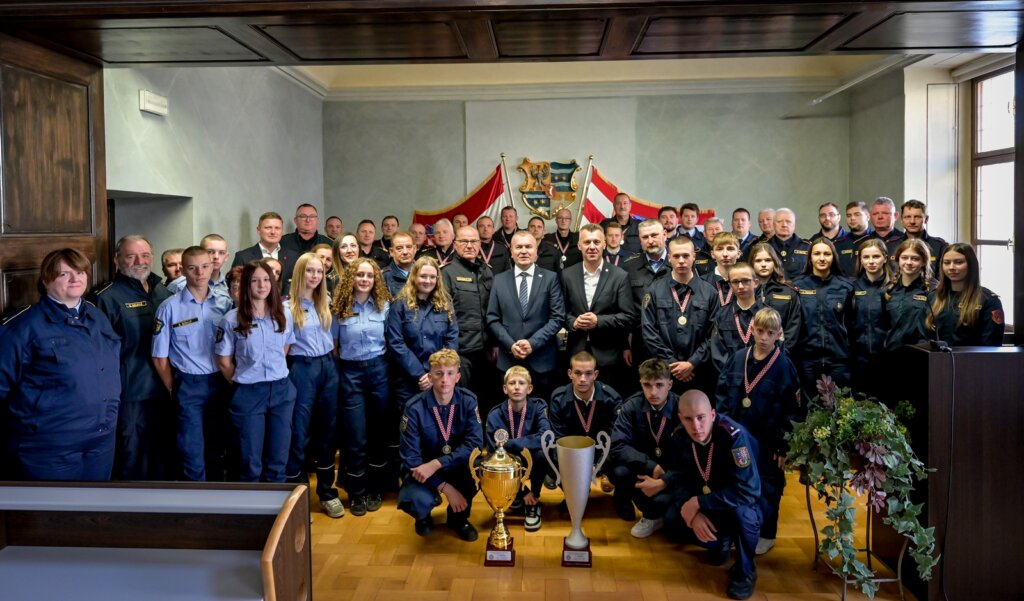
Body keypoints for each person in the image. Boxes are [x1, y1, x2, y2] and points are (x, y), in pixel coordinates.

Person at [0, 248, 121, 481]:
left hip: (101, 441)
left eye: (80, 272)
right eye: (64, 274)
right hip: (50, 446)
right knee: (55, 516)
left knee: (95, 513)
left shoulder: (96, 315)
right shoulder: (22, 327)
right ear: (46, 280)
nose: (76, 279)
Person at [715, 307, 799, 557]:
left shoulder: (785, 367)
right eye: (760, 331)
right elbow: (722, 395)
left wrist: (785, 446)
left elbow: (792, 411)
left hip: (768, 441)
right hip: (737, 438)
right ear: (751, 330)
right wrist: (721, 430)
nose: (764, 337)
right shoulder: (738, 358)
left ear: (779, 334)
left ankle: (767, 533)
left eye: (770, 333)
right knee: (735, 483)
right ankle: (735, 529)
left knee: (768, 487)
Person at [662, 390, 761, 600]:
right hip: (708, 501)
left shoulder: (734, 436)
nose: (696, 427)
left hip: (740, 501)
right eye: (688, 419)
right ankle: (721, 541)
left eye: (701, 417)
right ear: (680, 418)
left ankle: (745, 571)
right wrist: (693, 513)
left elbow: (748, 490)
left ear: (713, 415)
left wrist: (699, 501)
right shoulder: (679, 436)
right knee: (672, 521)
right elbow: (679, 477)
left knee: (745, 517)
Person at [90, 235, 173, 479]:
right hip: (130, 393)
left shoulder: (163, 292)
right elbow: (99, 354)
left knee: (163, 453)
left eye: (145, 255)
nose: (140, 261)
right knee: (131, 456)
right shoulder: (105, 297)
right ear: (117, 260)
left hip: (166, 388)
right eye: (131, 256)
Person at [153, 246, 235, 481]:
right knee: (191, 449)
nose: (200, 273)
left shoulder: (223, 303)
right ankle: (197, 507)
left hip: (220, 381)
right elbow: (159, 357)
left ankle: (218, 498)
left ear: (212, 267)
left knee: (218, 444)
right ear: (183, 270)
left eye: (205, 266)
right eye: (192, 268)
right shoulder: (169, 307)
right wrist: (174, 387)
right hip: (189, 384)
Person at [214, 261, 296, 483]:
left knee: (278, 458)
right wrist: (243, 382)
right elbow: (223, 360)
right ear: (246, 285)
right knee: (249, 461)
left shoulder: (284, 314)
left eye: (267, 279)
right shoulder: (232, 319)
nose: (262, 285)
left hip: (281, 391)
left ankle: (278, 515)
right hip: (249, 393)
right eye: (255, 280)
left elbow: (285, 347)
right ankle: (251, 515)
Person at [398, 349, 482, 541]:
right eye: (439, 373)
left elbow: (475, 445)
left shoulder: (468, 401)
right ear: (430, 376)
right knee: (417, 499)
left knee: (476, 470)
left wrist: (437, 463)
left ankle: (458, 518)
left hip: (452, 465)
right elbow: (411, 458)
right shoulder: (414, 408)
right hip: (421, 471)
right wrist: (446, 488)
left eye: (450, 373)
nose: (445, 379)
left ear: (458, 377)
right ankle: (423, 517)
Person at [283, 253, 343, 517]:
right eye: (310, 271)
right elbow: (282, 350)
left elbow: (335, 340)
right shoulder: (287, 308)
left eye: (319, 271)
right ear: (300, 273)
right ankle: (298, 495)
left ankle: (327, 492)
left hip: (328, 367)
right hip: (301, 368)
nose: (315, 276)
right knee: (299, 432)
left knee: (328, 432)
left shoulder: (326, 302)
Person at [332, 257, 392, 514]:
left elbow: (391, 341)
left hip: (379, 371)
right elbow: (334, 348)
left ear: (375, 279)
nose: (365, 280)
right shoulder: (340, 307)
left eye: (369, 275)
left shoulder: (384, 306)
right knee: (355, 435)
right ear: (351, 278)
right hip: (351, 374)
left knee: (379, 432)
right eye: (360, 275)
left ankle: (375, 488)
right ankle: (357, 492)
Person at [486, 230, 565, 400]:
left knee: (542, 411)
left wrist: (532, 343)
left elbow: (558, 317)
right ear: (511, 252)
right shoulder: (499, 280)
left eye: (528, 246)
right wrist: (510, 344)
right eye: (518, 247)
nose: (523, 251)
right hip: (508, 360)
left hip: (542, 360)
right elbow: (492, 318)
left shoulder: (550, 278)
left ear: (536, 252)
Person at [561, 224, 636, 395]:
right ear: (579, 245)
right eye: (587, 242)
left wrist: (599, 321)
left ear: (604, 244)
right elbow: (560, 313)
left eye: (596, 242)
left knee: (606, 402)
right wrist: (573, 322)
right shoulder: (567, 275)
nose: (592, 247)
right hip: (576, 352)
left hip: (608, 355)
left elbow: (628, 316)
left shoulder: (620, 275)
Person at [609, 359, 680, 538]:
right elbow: (617, 445)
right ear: (640, 383)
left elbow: (689, 455)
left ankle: (659, 514)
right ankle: (648, 515)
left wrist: (666, 479)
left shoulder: (682, 408)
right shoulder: (631, 406)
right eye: (647, 385)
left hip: (673, 471)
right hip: (643, 466)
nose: (653, 392)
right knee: (619, 472)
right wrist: (650, 466)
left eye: (659, 385)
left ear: (670, 384)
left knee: (672, 523)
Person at [640, 236, 717, 393]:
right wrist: (672, 364)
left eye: (686, 256)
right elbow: (649, 332)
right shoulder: (654, 290)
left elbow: (714, 335)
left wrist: (692, 363)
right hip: (663, 373)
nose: (681, 261)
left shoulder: (710, 292)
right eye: (676, 256)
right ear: (669, 258)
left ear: (694, 256)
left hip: (699, 372)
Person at [547, 351, 624, 506]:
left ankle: (622, 499)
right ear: (570, 374)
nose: (583, 379)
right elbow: (557, 439)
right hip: (572, 455)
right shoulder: (558, 398)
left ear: (595, 374)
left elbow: (615, 439)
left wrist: (599, 465)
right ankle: (574, 495)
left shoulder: (611, 398)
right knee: (546, 455)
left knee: (623, 463)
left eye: (588, 374)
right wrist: (577, 466)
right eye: (578, 373)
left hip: (604, 454)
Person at [484, 366, 552, 531]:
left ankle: (533, 498)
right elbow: (494, 454)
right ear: (505, 388)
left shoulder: (538, 407)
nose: (516, 387)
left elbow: (547, 437)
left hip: (533, 460)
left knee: (543, 454)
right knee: (490, 466)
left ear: (529, 389)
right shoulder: (495, 415)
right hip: (509, 465)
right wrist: (522, 491)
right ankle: (519, 495)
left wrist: (513, 444)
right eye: (512, 383)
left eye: (521, 383)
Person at [387, 256, 459, 408]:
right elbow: (396, 343)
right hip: (408, 379)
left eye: (432, 277)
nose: (428, 281)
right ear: (414, 277)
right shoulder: (399, 304)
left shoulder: (446, 303)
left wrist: (437, 373)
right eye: (423, 276)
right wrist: (420, 374)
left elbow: (451, 338)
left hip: (440, 378)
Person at [792, 238, 855, 395]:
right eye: (817, 253)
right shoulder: (797, 286)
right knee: (810, 410)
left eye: (827, 254)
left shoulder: (845, 286)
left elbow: (851, 323)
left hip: (838, 359)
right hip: (807, 359)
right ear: (810, 257)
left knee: (840, 410)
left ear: (833, 257)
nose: (821, 258)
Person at [443, 226, 496, 407]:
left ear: (479, 244)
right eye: (464, 241)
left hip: (486, 350)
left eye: (473, 241)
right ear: (455, 244)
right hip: (461, 350)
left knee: (486, 400)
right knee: (463, 401)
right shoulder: (446, 273)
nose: (469, 245)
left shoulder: (487, 271)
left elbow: (493, 311)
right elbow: (444, 316)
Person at [621, 219, 671, 391]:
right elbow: (623, 307)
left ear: (665, 234)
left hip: (672, 340)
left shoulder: (678, 262)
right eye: (645, 237)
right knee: (644, 388)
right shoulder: (629, 266)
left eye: (654, 235)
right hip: (640, 341)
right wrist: (625, 345)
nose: (650, 241)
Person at [927, 243, 1004, 346]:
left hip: (972, 360)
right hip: (936, 360)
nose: (951, 267)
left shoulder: (988, 301)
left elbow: (991, 348)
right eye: (946, 263)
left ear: (971, 265)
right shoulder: (933, 297)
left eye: (959, 262)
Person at [849, 238, 893, 389]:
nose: (871, 261)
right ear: (860, 260)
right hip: (858, 357)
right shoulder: (852, 286)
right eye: (866, 257)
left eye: (876, 256)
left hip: (886, 356)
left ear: (885, 258)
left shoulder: (893, 287)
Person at [709, 262, 765, 375]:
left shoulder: (768, 314)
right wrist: (733, 374)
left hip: (762, 376)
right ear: (730, 285)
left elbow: (778, 348)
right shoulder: (722, 314)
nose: (740, 286)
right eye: (735, 282)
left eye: (745, 281)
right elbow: (718, 352)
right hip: (731, 378)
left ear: (755, 283)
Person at [748, 242, 802, 355]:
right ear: (751, 264)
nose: (763, 264)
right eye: (758, 261)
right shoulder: (744, 290)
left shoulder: (788, 291)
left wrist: (781, 353)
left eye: (768, 260)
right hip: (749, 355)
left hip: (780, 354)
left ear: (775, 262)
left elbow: (793, 328)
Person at [884, 238, 935, 352]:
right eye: (904, 257)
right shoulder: (889, 289)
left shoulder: (933, 290)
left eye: (915, 259)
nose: (909, 262)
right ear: (898, 259)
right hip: (892, 353)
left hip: (922, 354)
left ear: (923, 261)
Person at [168, 234, 231, 298]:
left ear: (226, 257)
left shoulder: (230, 285)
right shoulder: (178, 285)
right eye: (210, 252)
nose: (216, 257)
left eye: (221, 252)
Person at [900, 199, 947, 273]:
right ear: (901, 220)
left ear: (926, 219)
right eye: (907, 217)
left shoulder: (940, 246)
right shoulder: (892, 245)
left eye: (917, 217)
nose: (912, 221)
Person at [703, 232, 742, 309]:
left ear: (738, 254)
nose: (725, 254)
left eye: (730, 249)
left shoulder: (748, 282)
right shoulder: (702, 282)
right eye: (719, 249)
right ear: (712, 254)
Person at [767, 208, 809, 280]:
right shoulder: (763, 247)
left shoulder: (807, 247)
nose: (784, 225)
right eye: (780, 221)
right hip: (770, 290)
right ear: (773, 225)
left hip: (799, 289)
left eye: (788, 221)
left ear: (794, 225)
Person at [834, 201, 873, 276]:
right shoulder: (838, 243)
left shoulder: (875, 241)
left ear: (868, 217)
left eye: (857, 215)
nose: (852, 218)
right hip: (843, 286)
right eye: (849, 215)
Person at [544, 206, 582, 271]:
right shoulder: (547, 239)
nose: (563, 221)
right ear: (556, 220)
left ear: (571, 221)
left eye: (567, 218)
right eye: (560, 218)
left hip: (573, 276)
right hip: (553, 276)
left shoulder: (579, 238)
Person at [382, 230, 417, 297]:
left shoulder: (424, 273)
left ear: (415, 249)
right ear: (391, 252)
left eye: (409, 247)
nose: (405, 252)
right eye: (399, 248)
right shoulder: (383, 277)